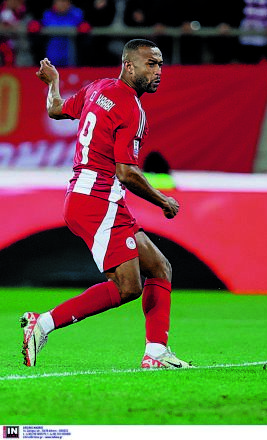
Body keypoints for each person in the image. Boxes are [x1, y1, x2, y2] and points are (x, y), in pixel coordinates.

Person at [22, 39, 192, 369]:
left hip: (91, 197)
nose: (158, 71)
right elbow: (126, 172)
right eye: (151, 64)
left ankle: (157, 353)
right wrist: (163, 201)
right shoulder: (132, 109)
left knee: (160, 268)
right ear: (129, 66)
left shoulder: (97, 88)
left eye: (160, 64)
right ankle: (42, 323)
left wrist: (53, 82)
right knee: (128, 286)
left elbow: (55, 109)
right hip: (97, 199)